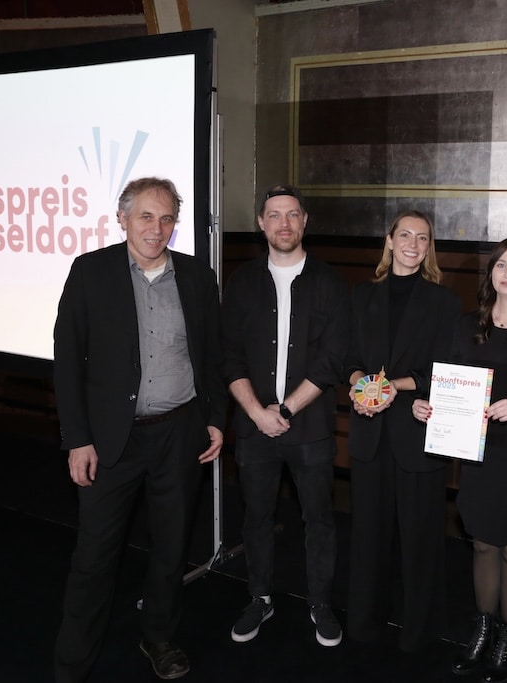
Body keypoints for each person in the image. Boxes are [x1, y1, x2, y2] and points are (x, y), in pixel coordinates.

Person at [52, 177, 227, 682]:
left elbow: (212, 356)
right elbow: (68, 361)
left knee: (171, 549)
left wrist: (215, 419)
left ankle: (159, 638)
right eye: (146, 216)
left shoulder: (196, 277)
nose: (157, 228)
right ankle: (72, 662)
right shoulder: (90, 272)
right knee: (94, 556)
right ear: (122, 219)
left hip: (179, 435)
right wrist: (78, 439)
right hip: (111, 440)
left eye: (167, 218)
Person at [414, 237, 507, 682]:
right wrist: (427, 406)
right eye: (501, 265)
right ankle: (483, 630)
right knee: (482, 543)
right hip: (478, 451)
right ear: (491, 273)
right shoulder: (468, 325)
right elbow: (447, 383)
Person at [221, 184, 350, 647]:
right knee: (256, 517)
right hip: (253, 427)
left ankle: (320, 603)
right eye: (274, 215)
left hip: (310, 428)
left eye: (292, 214)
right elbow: (229, 356)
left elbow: (332, 360)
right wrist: (258, 413)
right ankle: (260, 597)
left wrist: (287, 408)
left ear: (304, 220)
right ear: (261, 223)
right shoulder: (241, 282)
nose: (284, 223)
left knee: (319, 519)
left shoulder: (330, 283)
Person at [345, 210, 461, 653]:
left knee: (421, 541)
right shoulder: (362, 296)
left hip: (418, 431)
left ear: (429, 247)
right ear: (390, 240)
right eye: (406, 235)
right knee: (368, 538)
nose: (413, 244)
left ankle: (420, 635)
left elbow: (447, 368)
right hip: (369, 431)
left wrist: (396, 385)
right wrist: (360, 387)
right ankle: (364, 627)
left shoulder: (444, 302)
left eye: (423, 238)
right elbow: (348, 359)